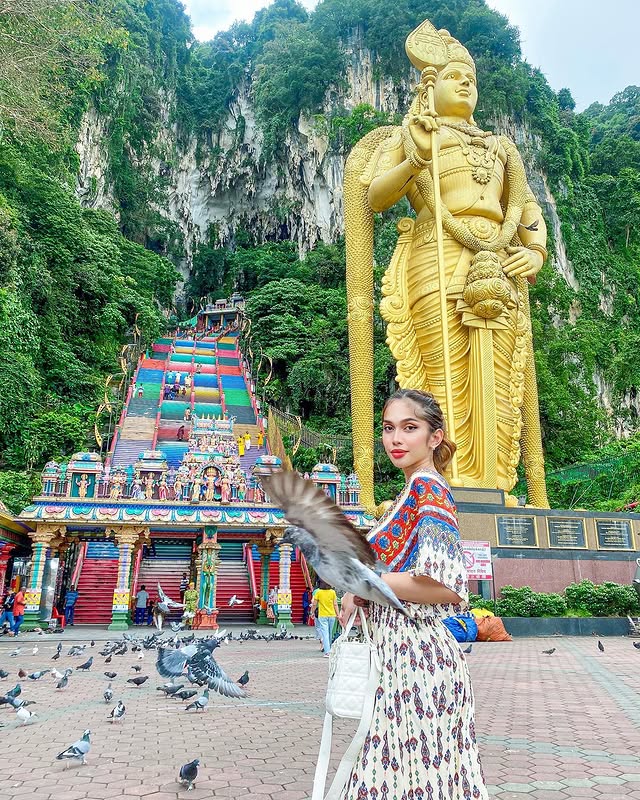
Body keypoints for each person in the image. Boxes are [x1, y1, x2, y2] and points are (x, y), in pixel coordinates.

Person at [345, 21, 550, 510]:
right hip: (434, 258)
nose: (465, 85)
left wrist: (536, 251)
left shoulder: (501, 147)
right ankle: (437, 483)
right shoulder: (415, 133)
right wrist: (414, 158)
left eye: (471, 79)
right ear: (430, 85)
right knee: (441, 377)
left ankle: (493, 486)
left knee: (499, 379)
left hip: (498, 263)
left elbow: (527, 209)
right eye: (455, 77)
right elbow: (375, 196)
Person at [339, 388, 488, 799]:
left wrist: (364, 582)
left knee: (408, 781)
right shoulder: (407, 495)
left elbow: (444, 585)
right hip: (397, 659)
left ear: (434, 437)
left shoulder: (428, 489)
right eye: (389, 429)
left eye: (409, 428)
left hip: (418, 660)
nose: (396, 439)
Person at [310, 580, 339, 657]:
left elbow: (314, 604)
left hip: (322, 615)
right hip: (332, 615)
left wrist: (312, 612)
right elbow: (335, 604)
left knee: (325, 633)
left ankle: (327, 652)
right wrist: (338, 614)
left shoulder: (318, 592)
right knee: (329, 633)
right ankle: (329, 650)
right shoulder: (332, 592)